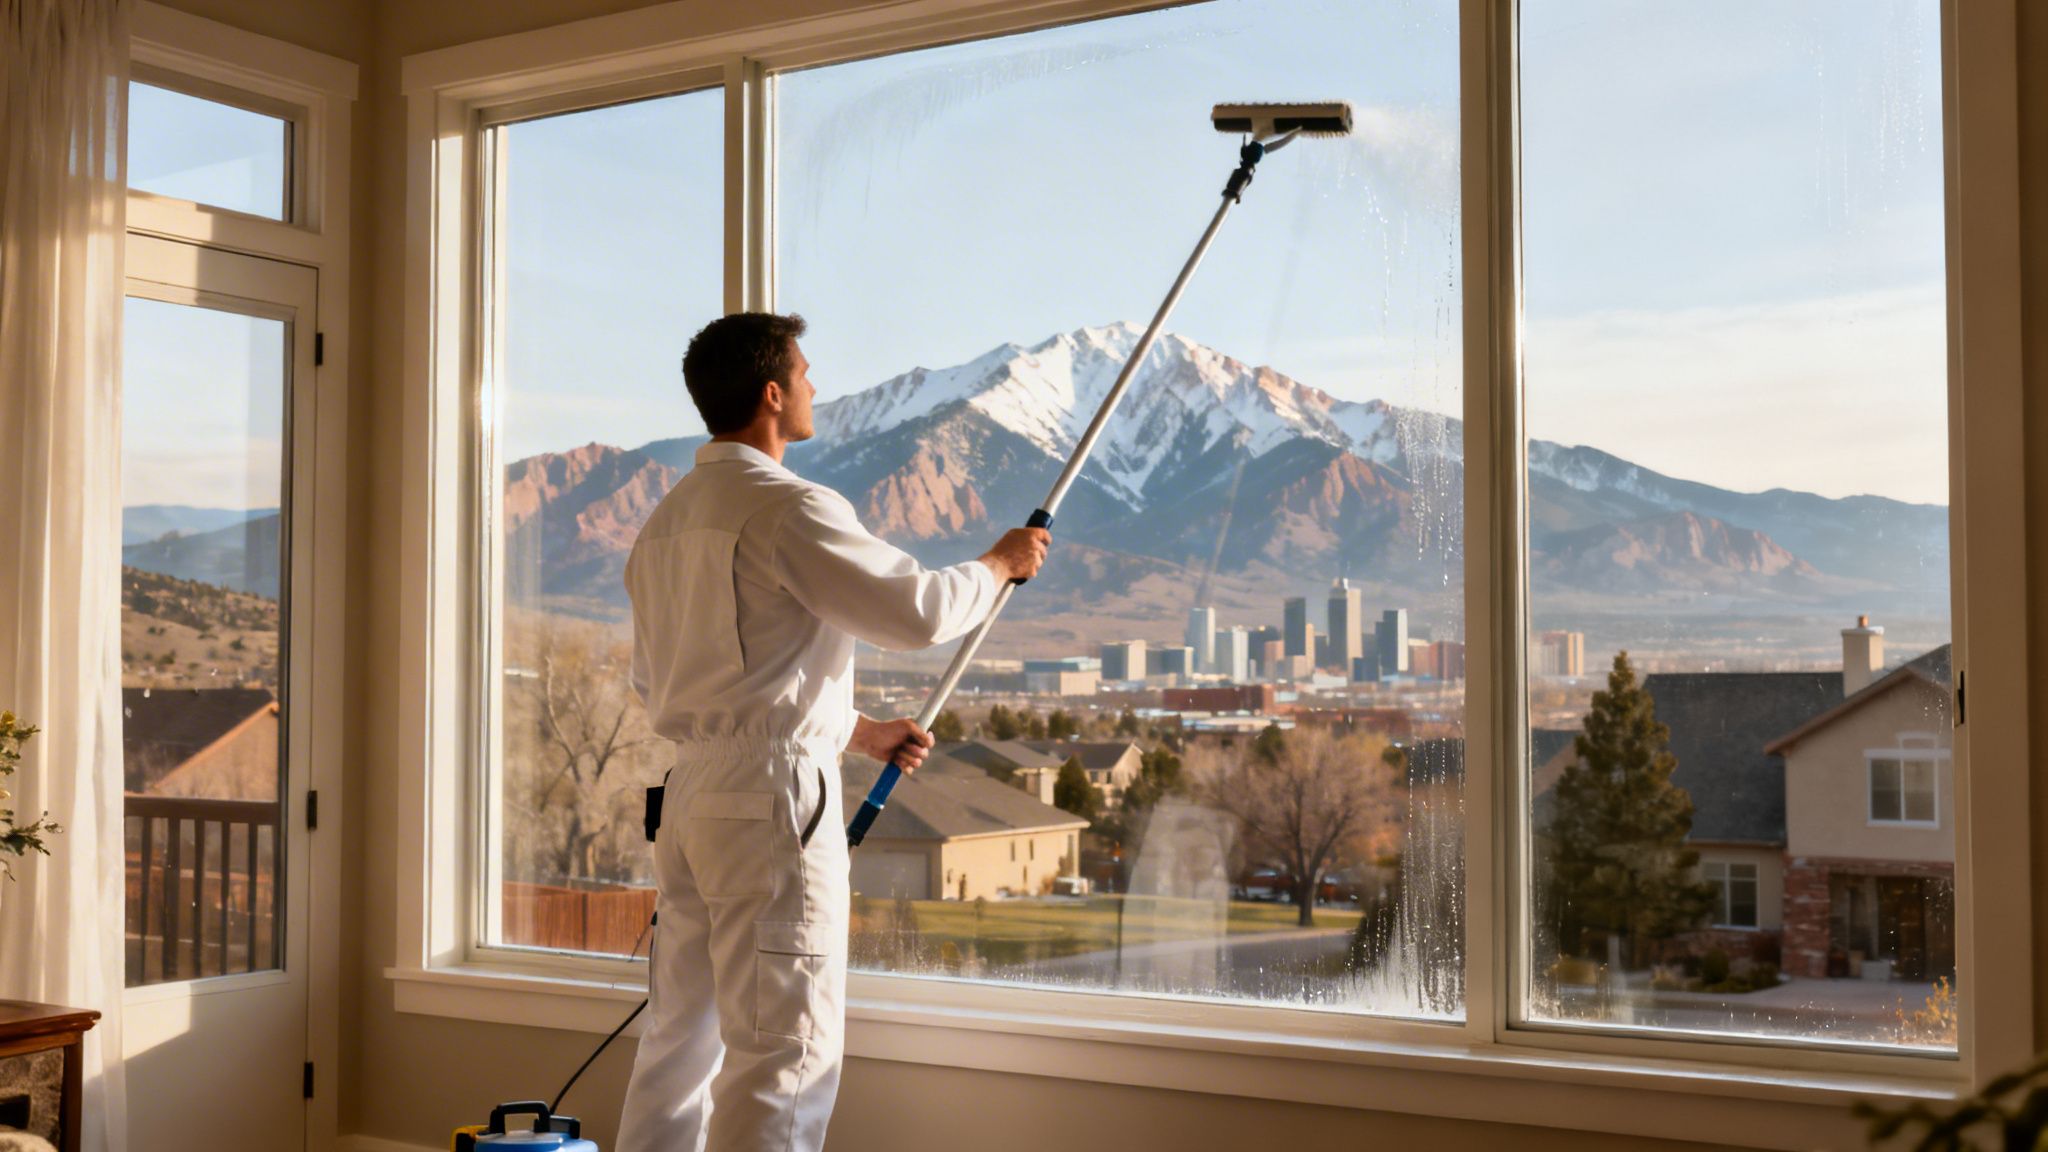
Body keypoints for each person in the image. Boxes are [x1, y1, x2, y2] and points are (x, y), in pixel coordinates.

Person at [615, 312, 1049, 1152]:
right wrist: (999, 564)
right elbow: (916, 611)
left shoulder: (663, 526)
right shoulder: (787, 508)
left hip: (693, 801)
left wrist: (857, 733)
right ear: (772, 394)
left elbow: (680, 683)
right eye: (806, 374)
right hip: (771, 805)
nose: (816, 387)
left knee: (680, 1046)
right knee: (784, 1053)